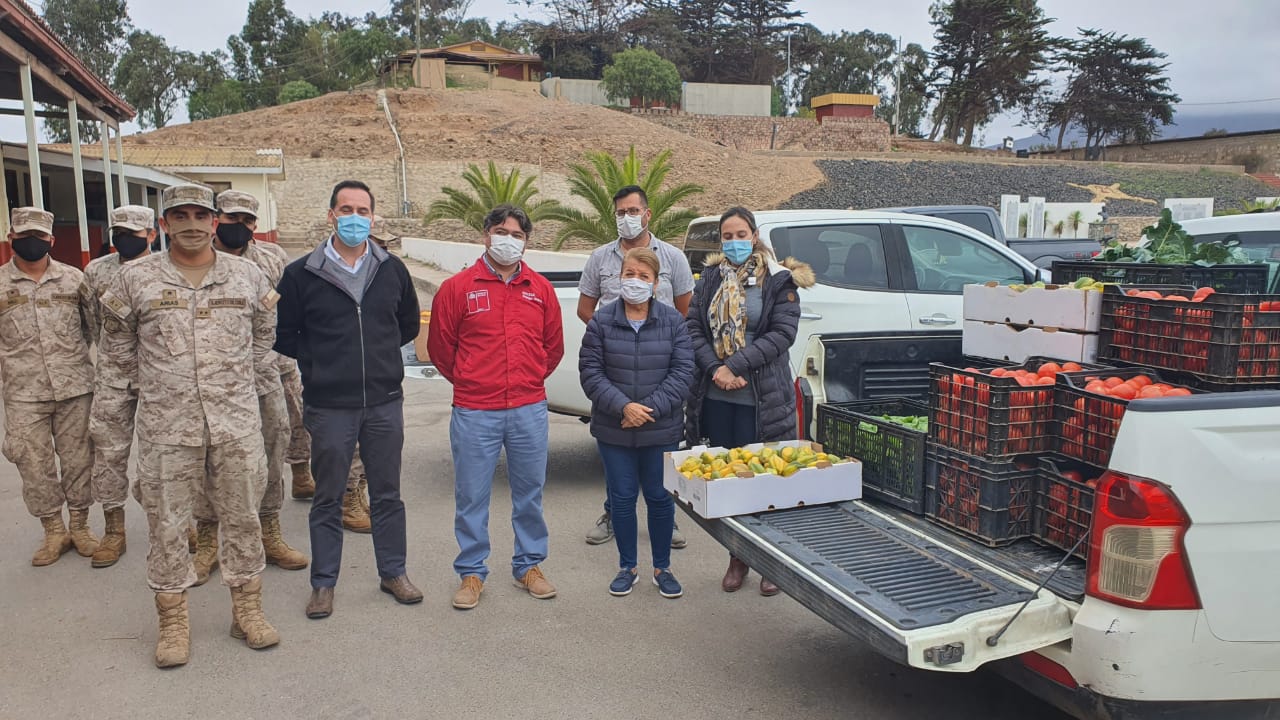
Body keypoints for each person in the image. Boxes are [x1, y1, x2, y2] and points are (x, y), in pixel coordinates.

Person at [98, 183, 281, 668]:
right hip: (167, 430)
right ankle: (174, 622)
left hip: (235, 426)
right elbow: (116, 360)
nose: (192, 224)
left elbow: (263, 340)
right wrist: (149, 399)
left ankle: (247, 611)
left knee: (243, 519)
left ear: (215, 221)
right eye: (180, 215)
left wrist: (232, 380)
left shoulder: (248, 276)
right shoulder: (133, 280)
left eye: (202, 215)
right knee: (168, 526)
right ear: (164, 225)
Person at [274, 180, 422, 620]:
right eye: (346, 209)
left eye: (362, 209)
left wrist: (374, 357)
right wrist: (324, 362)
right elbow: (285, 334)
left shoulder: (392, 269)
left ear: (373, 217)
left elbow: (407, 324)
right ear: (331, 215)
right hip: (329, 405)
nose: (354, 217)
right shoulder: (301, 274)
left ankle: (393, 571)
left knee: (388, 493)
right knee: (329, 496)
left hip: (383, 401)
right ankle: (324, 584)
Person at [427, 204, 565, 610]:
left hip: (528, 409)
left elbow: (552, 348)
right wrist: (472, 379)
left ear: (526, 241)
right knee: (471, 495)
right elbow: (440, 348)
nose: (509, 240)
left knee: (530, 493)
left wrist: (529, 378)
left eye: (518, 235)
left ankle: (529, 566)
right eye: (502, 232)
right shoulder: (457, 288)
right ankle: (471, 572)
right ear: (486, 235)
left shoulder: (539, 289)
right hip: (475, 410)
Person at [684, 207, 814, 597]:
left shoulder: (778, 280)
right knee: (730, 481)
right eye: (727, 235)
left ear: (755, 236)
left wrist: (735, 365)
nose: (734, 241)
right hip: (717, 397)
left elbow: (782, 334)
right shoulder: (710, 277)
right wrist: (715, 370)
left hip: (763, 398)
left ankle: (770, 561)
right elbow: (692, 327)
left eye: (741, 233)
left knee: (765, 480)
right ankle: (737, 556)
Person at [182, 188, 306, 581]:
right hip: (206, 382)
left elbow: (278, 319)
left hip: (266, 372)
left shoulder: (271, 261)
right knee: (206, 460)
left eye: (248, 221)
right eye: (232, 219)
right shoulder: (191, 262)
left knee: (272, 448)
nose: (240, 227)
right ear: (217, 219)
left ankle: (270, 530)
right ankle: (207, 539)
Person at [577, 185, 695, 549]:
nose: (625, 218)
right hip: (615, 375)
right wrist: (613, 338)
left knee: (659, 475)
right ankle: (613, 514)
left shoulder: (673, 257)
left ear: (647, 214)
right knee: (620, 475)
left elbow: (684, 309)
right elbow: (585, 308)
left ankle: (667, 523)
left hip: (660, 376)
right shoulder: (600, 258)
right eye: (619, 212)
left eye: (632, 211)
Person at [0, 207, 98, 566]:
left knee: (79, 460)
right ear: (11, 239)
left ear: (51, 241)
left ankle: (82, 526)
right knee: (32, 463)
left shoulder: (75, 280)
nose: (31, 242)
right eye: (23, 236)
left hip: (75, 387)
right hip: (23, 393)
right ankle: (54, 530)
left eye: (39, 237)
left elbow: (92, 329)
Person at [84, 204, 156, 568]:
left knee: (163, 455)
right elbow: (91, 324)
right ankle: (114, 530)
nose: (124, 238)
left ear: (152, 235)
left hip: (160, 378)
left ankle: (181, 522)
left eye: (133, 233)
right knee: (109, 455)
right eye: (118, 232)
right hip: (112, 378)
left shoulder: (165, 269)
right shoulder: (95, 271)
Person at [338, 215, 399, 533]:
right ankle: (347, 500)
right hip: (344, 377)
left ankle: (358, 494)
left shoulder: (384, 275)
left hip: (378, 374)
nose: (384, 250)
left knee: (372, 446)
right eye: (380, 243)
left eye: (387, 245)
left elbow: (404, 321)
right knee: (351, 446)